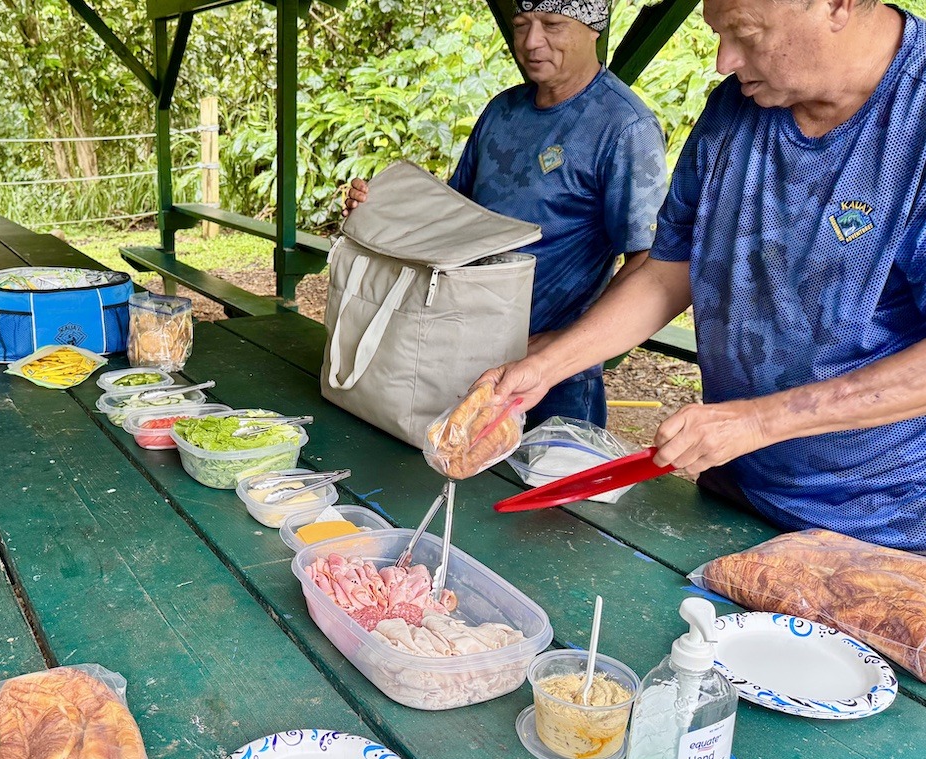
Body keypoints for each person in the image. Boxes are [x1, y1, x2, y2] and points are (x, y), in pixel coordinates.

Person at [483, 0, 926, 550]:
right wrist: (549, 365)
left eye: (744, 32)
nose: (723, 61)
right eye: (718, 33)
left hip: (883, 527)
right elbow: (668, 270)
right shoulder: (736, 107)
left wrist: (760, 422)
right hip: (732, 488)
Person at [344, 0, 667, 429]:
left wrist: (563, 346)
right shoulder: (503, 111)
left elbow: (649, 263)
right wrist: (379, 206)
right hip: (460, 355)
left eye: (552, 25)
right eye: (521, 25)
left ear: (595, 29)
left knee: (542, 492)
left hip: (554, 377)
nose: (532, 42)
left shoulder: (625, 128)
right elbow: (450, 217)